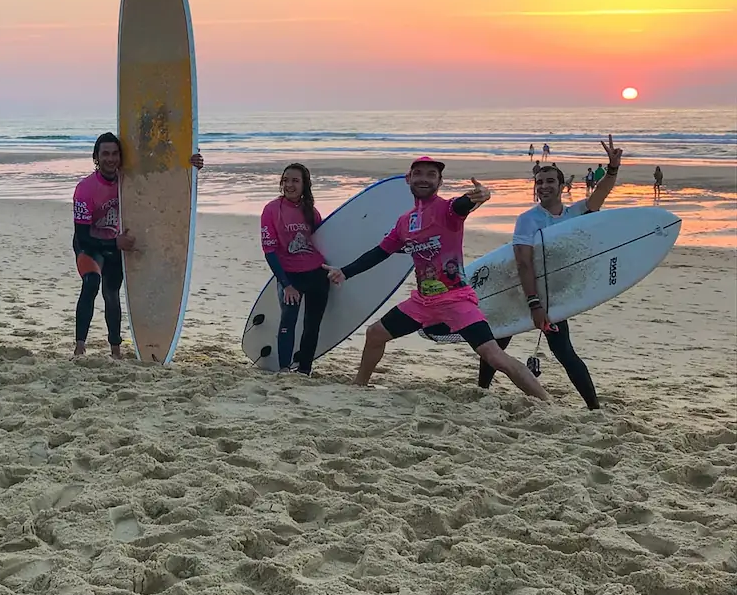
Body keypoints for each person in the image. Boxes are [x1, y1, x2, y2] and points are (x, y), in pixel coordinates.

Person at [326, 157, 549, 400]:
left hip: (456, 300)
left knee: (493, 355)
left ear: (440, 182)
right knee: (375, 334)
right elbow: (380, 253)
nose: (424, 178)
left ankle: (546, 400)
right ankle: (360, 385)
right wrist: (345, 272)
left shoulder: (447, 209)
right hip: (422, 303)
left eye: (431, 174)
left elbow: (463, 204)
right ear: (408, 179)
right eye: (418, 173)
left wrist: (479, 196)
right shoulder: (404, 222)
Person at [476, 136, 622, 409]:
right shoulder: (528, 219)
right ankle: (481, 390)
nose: (544, 186)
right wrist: (534, 303)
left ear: (562, 185)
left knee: (564, 351)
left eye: (550, 181)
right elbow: (523, 262)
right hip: (520, 290)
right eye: (539, 182)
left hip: (554, 295)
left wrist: (612, 168)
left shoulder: (576, 213)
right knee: (499, 340)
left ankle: (593, 407)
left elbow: (600, 194)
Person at [71, 133, 203, 359]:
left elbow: (163, 179)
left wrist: (189, 164)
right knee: (91, 283)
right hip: (90, 246)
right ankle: (80, 346)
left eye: (115, 154)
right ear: (96, 157)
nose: (111, 159)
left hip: (115, 245)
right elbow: (82, 236)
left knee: (111, 293)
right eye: (105, 154)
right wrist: (115, 241)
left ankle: (115, 349)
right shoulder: (85, 189)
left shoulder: (130, 182)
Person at [259, 163, 328, 375]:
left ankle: (305, 369)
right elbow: (269, 251)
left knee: (312, 324)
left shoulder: (311, 211)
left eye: (295, 181)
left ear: (305, 184)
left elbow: (324, 240)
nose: (289, 185)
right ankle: (284, 368)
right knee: (288, 321)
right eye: (286, 180)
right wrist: (286, 284)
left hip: (317, 274)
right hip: (290, 277)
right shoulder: (271, 210)